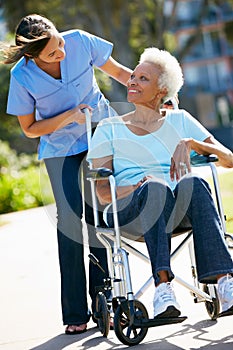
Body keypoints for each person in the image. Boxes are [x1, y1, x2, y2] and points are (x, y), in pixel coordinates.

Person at [2, 14, 132, 334]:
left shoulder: (79, 41)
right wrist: (67, 118)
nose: (61, 52)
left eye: (59, 42)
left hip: (99, 134)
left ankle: (108, 302)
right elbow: (30, 128)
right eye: (51, 53)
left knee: (101, 214)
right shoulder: (22, 76)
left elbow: (117, 72)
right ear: (32, 56)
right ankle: (75, 312)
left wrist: (157, 90)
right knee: (70, 221)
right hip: (59, 150)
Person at [87, 47, 233, 319]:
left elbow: (229, 160)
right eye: (134, 76)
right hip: (129, 212)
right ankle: (163, 290)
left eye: (143, 79)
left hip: (177, 211)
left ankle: (226, 285)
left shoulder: (181, 120)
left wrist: (191, 143)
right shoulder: (109, 128)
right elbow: (104, 193)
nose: (132, 81)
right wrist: (139, 185)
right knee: (155, 188)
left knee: (194, 184)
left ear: (161, 89)